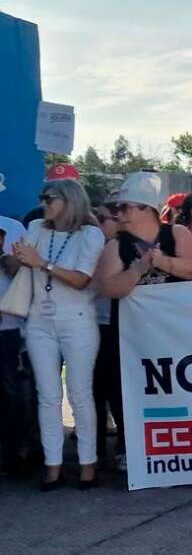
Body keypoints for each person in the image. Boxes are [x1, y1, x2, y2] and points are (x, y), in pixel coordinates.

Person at [94, 174, 192, 472]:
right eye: (117, 208)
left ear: (146, 209)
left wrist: (163, 262)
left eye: (125, 207)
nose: (119, 213)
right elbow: (106, 287)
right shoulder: (117, 246)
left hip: (176, 334)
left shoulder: (176, 234)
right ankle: (131, 446)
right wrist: (140, 268)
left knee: (182, 387)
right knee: (129, 390)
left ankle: (186, 447)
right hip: (133, 337)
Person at [8, 179, 105, 490]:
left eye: (49, 198)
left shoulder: (90, 233)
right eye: (43, 197)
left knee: (80, 393)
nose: (44, 203)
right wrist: (16, 258)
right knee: (48, 396)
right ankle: (53, 466)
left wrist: (43, 263)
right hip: (39, 320)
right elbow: (17, 268)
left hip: (76, 320)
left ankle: (88, 464)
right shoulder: (36, 227)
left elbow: (81, 280)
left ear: (69, 200)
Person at [0, 212, 37, 478]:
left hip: (8, 327)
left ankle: (15, 455)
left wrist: (8, 260)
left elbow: (25, 272)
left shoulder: (11, 227)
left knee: (10, 393)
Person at [91, 205, 122, 470]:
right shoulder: (90, 244)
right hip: (90, 324)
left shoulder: (124, 247)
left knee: (118, 391)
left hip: (117, 326)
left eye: (103, 219)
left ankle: (124, 447)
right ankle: (95, 450)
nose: (98, 224)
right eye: (95, 219)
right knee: (94, 391)